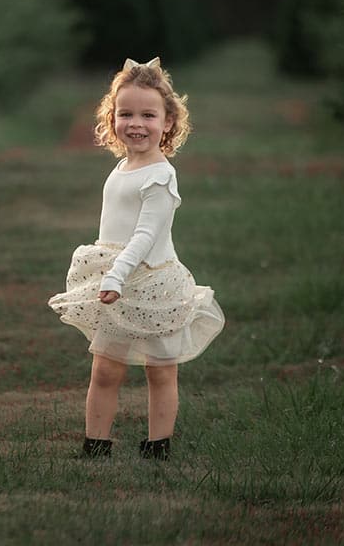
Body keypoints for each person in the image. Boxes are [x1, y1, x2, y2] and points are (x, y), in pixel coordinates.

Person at [48, 57, 225, 461]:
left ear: (168, 123)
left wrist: (115, 276)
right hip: (117, 281)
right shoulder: (123, 166)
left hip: (151, 284)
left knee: (160, 370)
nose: (136, 123)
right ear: (112, 119)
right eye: (126, 113)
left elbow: (145, 235)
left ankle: (157, 446)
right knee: (105, 369)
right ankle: (96, 445)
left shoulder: (160, 175)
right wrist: (110, 275)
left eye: (148, 114)